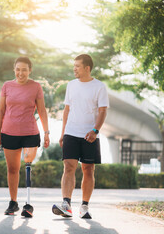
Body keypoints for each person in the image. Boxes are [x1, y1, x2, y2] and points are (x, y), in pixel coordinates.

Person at [52, 54, 109, 219]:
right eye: (74, 65)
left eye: (77, 66)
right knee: (68, 167)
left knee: (88, 170)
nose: (74, 68)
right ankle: (66, 204)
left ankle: (84, 206)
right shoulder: (71, 85)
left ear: (87, 68)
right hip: (71, 132)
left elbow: (103, 111)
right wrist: (62, 133)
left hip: (89, 134)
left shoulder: (99, 86)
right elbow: (67, 110)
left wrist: (95, 130)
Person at [0, 56, 50, 216]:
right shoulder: (7, 86)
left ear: (30, 70)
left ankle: (28, 204)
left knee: (27, 167)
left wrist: (46, 132)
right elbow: (0, 111)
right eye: (18, 69)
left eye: (24, 70)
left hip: (30, 133)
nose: (21, 73)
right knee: (12, 168)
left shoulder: (36, 86)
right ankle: (13, 203)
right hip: (9, 132)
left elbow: (42, 110)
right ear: (14, 69)